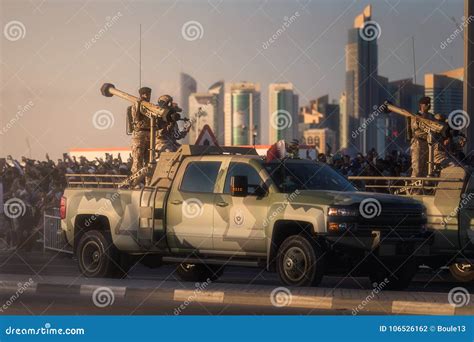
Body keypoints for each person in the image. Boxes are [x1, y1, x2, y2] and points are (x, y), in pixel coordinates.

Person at [129, 87, 152, 176]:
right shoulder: (137, 104)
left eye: (149, 94)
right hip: (139, 134)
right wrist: (139, 104)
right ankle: (135, 182)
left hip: (150, 133)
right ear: (141, 95)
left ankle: (148, 183)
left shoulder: (151, 106)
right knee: (137, 159)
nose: (147, 96)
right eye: (145, 94)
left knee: (149, 161)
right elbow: (136, 118)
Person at [410, 96, 432, 178]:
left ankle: (424, 188)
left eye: (429, 103)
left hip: (428, 144)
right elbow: (414, 127)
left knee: (427, 168)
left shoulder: (431, 116)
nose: (428, 105)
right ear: (421, 105)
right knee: (417, 167)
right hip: (418, 143)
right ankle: (415, 188)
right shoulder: (416, 116)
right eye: (426, 104)